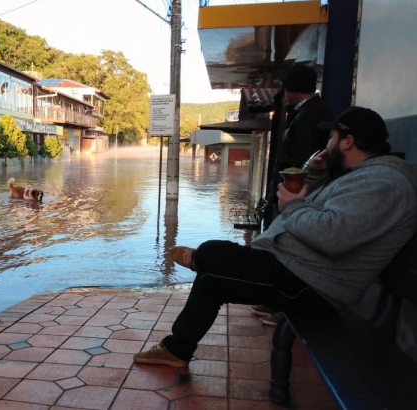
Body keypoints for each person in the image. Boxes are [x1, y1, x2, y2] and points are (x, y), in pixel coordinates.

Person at [134, 107, 417, 368]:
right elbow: (324, 211)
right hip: (299, 272)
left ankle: (197, 259)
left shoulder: (382, 183)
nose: (327, 143)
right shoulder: (362, 176)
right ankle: (176, 350)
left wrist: (291, 206)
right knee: (212, 277)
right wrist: (316, 175)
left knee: (212, 254)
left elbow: (332, 236)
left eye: (331, 137)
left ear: (347, 141)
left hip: (312, 287)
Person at [256, 65, 335, 326]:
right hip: (297, 195)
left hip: (296, 196)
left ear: (290, 90)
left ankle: (284, 305)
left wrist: (288, 196)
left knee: (286, 246)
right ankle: (275, 300)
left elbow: (298, 164)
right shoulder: (316, 113)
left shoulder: (308, 117)